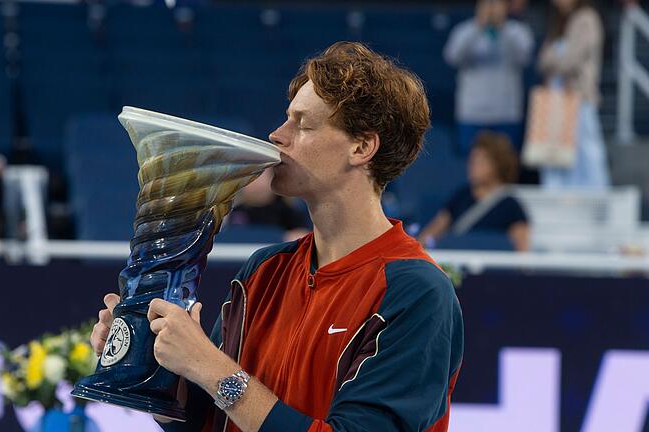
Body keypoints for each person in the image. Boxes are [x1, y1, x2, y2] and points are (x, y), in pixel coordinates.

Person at [91, 42, 464, 432]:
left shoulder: (417, 292)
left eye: (302, 124)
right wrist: (161, 362)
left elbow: (230, 384)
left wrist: (212, 368)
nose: (276, 135)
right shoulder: (264, 270)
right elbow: (209, 421)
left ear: (362, 146)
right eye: (286, 119)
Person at [444, 0, 534, 155]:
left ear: (505, 7)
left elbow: (524, 56)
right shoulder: (465, 30)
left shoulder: (517, 31)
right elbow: (452, 57)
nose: (492, 9)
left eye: (497, 4)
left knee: (506, 163)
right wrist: (479, 26)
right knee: (474, 165)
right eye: (487, 3)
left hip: (506, 114)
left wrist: (502, 27)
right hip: (472, 113)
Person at [537, 0, 610, 189]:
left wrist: (552, 59)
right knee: (553, 153)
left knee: (586, 152)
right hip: (555, 99)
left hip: (579, 99)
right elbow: (541, 60)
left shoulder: (587, 19)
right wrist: (554, 59)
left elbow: (569, 61)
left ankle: (596, 197)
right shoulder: (558, 23)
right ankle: (556, 196)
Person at [419, 131, 530, 251]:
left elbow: (522, 253)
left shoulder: (511, 206)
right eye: (472, 160)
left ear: (498, 164)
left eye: (481, 161)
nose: (473, 166)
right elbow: (431, 234)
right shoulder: (461, 196)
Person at [226, 168, 311, 242]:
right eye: (247, 176)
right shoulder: (236, 211)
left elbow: (303, 236)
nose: (253, 181)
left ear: (273, 178)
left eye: (259, 176)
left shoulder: (287, 210)